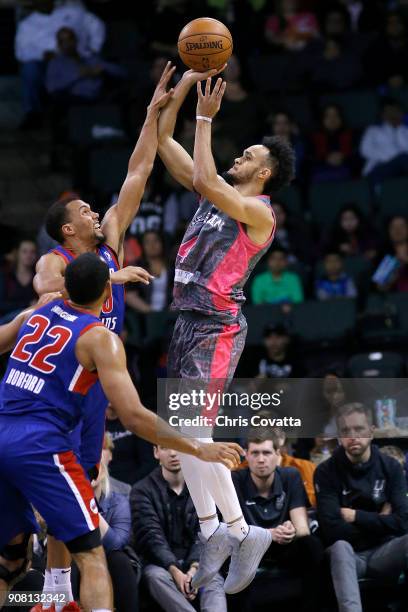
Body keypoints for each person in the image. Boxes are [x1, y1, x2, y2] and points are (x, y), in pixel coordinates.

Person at [0, 253, 243, 610]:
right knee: (93, 556)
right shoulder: (101, 338)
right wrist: (198, 448)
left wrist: (110, 277)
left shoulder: (37, 311)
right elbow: (133, 418)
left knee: (11, 562)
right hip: (39, 443)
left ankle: (53, 598)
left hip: (3, 428)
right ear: (106, 294)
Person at [31, 61, 175, 610]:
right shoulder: (56, 258)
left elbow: (137, 174)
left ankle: (60, 596)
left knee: (84, 492)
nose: (97, 212)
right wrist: (108, 276)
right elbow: (48, 294)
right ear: (70, 229)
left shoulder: (110, 238)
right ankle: (48, 595)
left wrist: (152, 113)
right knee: (58, 499)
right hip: (59, 387)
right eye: (87, 211)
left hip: (99, 386)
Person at [157, 65, 295, 594]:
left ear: (263, 175)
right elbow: (167, 144)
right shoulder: (213, 196)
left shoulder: (259, 212)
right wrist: (172, 97)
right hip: (187, 323)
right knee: (184, 434)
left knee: (195, 434)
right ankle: (216, 529)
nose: (242, 157)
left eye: (251, 157)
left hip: (215, 326)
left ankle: (240, 531)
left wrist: (205, 117)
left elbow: (207, 177)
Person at [314, 402, 408, 612]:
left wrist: (356, 516)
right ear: (339, 437)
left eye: (359, 429)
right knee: (339, 547)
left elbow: (403, 523)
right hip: (349, 557)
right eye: (346, 430)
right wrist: (382, 520)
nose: (353, 435)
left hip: (384, 553)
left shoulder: (391, 467)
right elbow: (331, 530)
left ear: (372, 432)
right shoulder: (325, 471)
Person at [231, 432, 324, 611]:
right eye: (255, 453)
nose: (261, 459)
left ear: (277, 455)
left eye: (266, 453)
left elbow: (303, 529)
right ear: (247, 455)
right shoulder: (235, 480)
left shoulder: (291, 476)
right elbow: (234, 531)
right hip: (250, 548)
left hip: (283, 547)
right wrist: (268, 534)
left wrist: (291, 530)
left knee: (312, 546)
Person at [131, 445, 226, 612]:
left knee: (213, 579)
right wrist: (175, 570)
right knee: (155, 576)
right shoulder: (142, 490)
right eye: (166, 448)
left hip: (200, 562)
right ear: (156, 452)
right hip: (160, 565)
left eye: (179, 448)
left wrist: (194, 568)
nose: (173, 453)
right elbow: (151, 537)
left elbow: (208, 532)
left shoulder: (205, 485)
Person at [89, 458, 140, 612]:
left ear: (103, 471)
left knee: (120, 560)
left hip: (111, 557)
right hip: (76, 557)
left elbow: (116, 544)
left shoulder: (118, 501)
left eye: (92, 467)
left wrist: (89, 507)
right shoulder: (66, 502)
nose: (87, 472)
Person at [46, 27, 126, 102]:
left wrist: (103, 69)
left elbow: (122, 72)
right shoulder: (55, 63)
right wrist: (78, 75)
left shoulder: (89, 57)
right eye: (62, 41)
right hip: (75, 102)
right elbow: (51, 88)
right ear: (59, 45)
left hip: (102, 97)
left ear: (75, 40)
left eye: (70, 39)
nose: (67, 44)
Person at [360, 99, 408, 187]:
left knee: (404, 159)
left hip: (402, 169)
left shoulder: (405, 131)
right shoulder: (373, 130)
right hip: (379, 168)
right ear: (382, 114)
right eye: (389, 111)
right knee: (403, 158)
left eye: (395, 111)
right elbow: (365, 150)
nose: (393, 114)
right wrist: (392, 159)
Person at [125, 230, 173, 314]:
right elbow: (130, 296)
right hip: (143, 316)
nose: (152, 245)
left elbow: (180, 293)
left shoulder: (172, 266)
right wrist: (150, 312)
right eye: (147, 242)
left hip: (169, 315)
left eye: (156, 240)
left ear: (162, 243)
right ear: (142, 245)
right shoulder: (136, 267)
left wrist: (169, 312)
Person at [310, 104, 355, 183]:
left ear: (341, 118)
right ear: (322, 119)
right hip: (320, 171)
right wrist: (325, 159)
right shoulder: (314, 137)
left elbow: (355, 157)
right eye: (328, 116)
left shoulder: (350, 135)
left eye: (335, 115)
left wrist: (343, 157)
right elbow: (310, 158)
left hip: (345, 169)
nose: (332, 119)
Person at [0, 240, 38, 320]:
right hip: (6, 320)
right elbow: (1, 304)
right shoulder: (6, 275)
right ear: (17, 253)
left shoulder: (38, 277)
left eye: (32, 252)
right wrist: (27, 304)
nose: (29, 255)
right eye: (24, 251)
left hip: (30, 320)